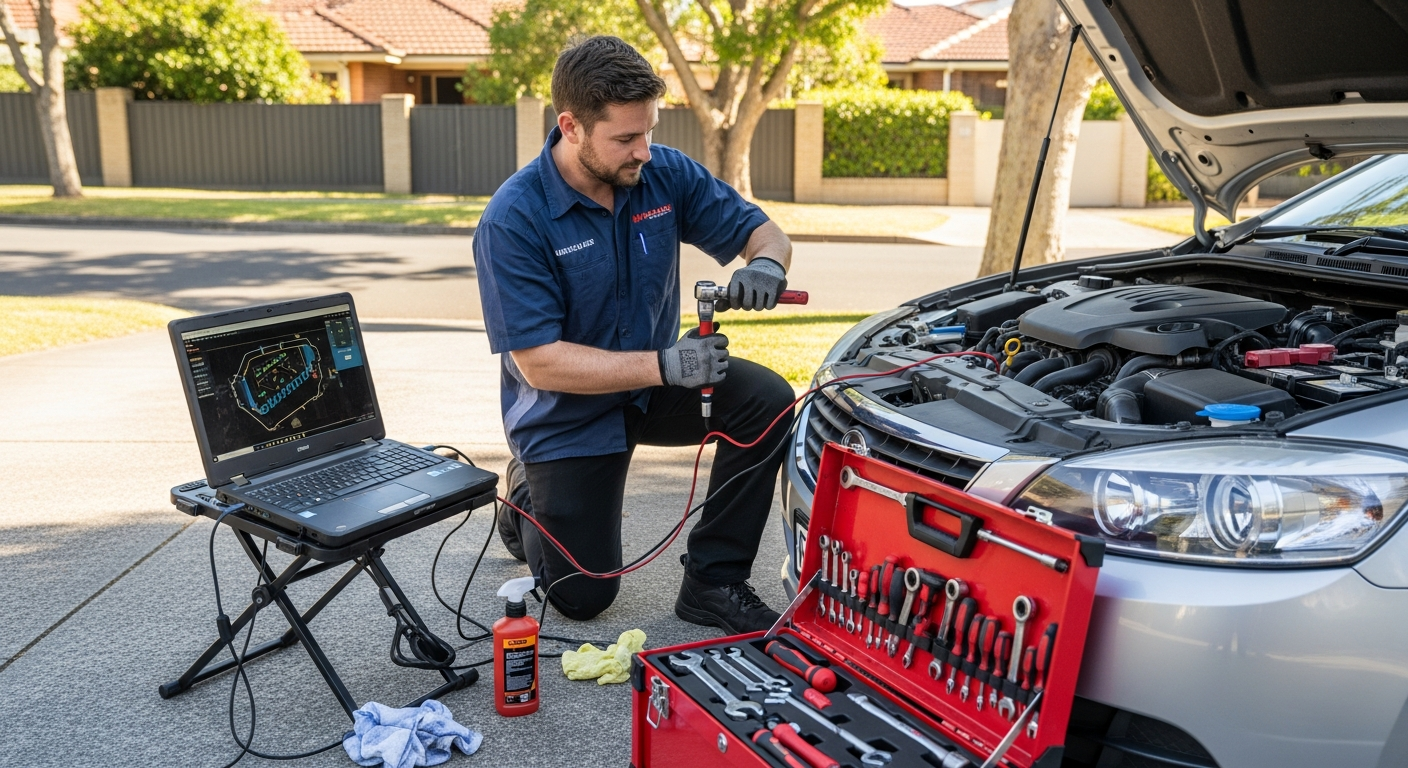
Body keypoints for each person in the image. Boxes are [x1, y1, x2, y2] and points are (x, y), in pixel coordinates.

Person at [472, 35, 796, 634]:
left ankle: (713, 581)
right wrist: (668, 366)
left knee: (769, 402)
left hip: (653, 388)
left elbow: (765, 232)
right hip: (567, 412)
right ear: (570, 126)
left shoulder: (660, 173)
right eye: (625, 138)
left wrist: (766, 264)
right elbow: (539, 363)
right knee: (583, 598)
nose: (642, 150)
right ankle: (524, 498)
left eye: (648, 131)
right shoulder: (514, 219)